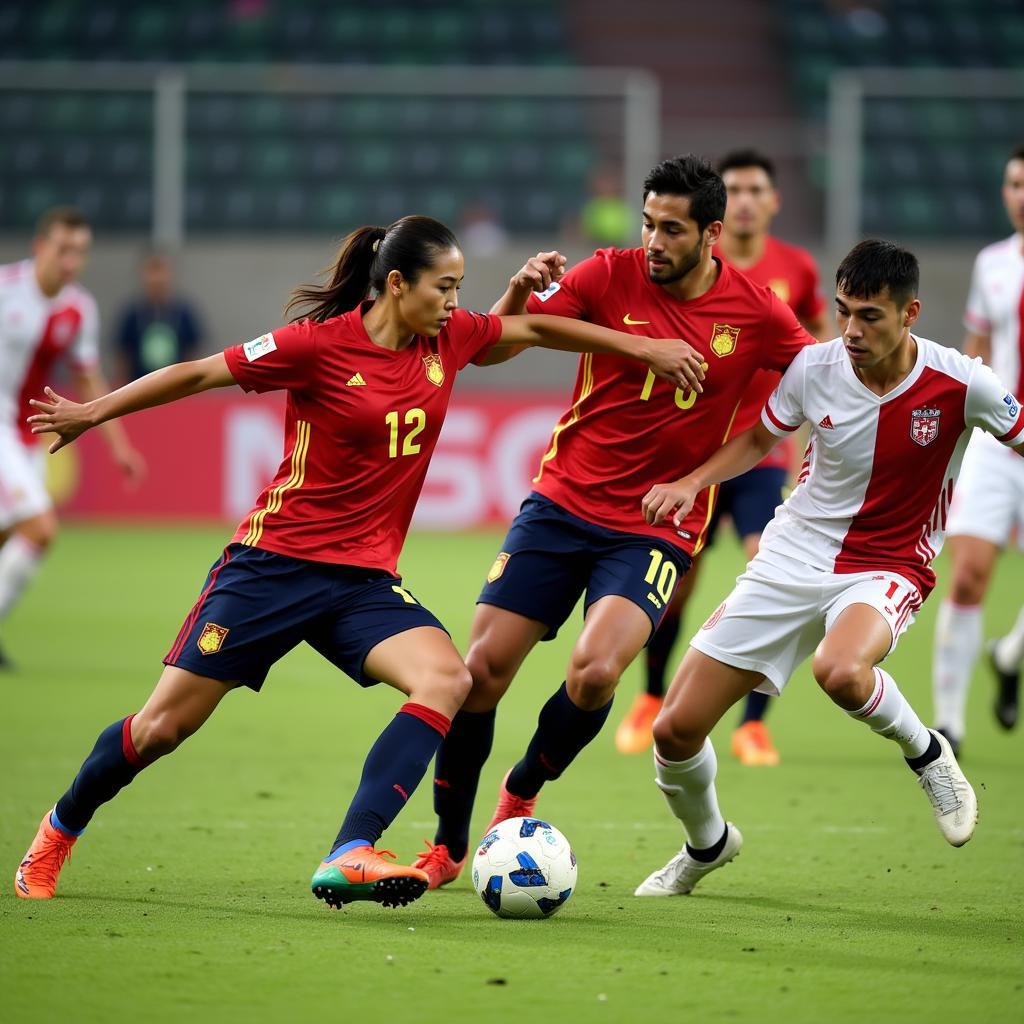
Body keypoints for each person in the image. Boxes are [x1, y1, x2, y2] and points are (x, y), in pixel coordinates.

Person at [13, 215, 703, 909]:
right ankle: (58, 829)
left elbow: (534, 332)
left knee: (446, 679)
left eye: (461, 288)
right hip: (272, 567)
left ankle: (351, 850)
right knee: (161, 728)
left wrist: (640, 349)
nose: (455, 303)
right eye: (445, 287)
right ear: (397, 284)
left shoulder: (449, 338)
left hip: (362, 583)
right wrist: (94, 412)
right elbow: (200, 371)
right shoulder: (314, 347)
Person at [414, 155, 817, 890]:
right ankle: (445, 847)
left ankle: (522, 789)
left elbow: (822, 383)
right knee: (479, 676)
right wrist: (522, 295)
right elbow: (501, 345)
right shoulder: (606, 274)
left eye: (672, 229)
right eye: (648, 224)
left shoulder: (757, 312)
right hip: (562, 502)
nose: (654, 242)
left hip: (655, 524)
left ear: (712, 234)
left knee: (597, 672)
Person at [634, 239, 1014, 898]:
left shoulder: (962, 382)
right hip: (792, 554)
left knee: (840, 670)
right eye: (843, 312)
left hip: (889, 564)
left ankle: (927, 753)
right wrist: (694, 483)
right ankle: (707, 844)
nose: (852, 330)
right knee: (674, 729)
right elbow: (759, 438)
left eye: (869, 316)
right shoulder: (815, 368)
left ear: (910, 313)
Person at [616, 148, 830, 764]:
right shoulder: (675, 268)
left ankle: (752, 723)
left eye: (755, 189)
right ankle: (651, 698)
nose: (743, 200)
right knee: (677, 586)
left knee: (770, 571)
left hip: (758, 455)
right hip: (687, 457)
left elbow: (812, 343)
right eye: (732, 189)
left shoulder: (794, 269)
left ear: (773, 201)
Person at [0, 207, 144, 669]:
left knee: (9, 536)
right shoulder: (5, 289)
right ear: (40, 246)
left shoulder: (78, 307)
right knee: (40, 530)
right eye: (63, 249)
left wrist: (120, 447)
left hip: (27, 435)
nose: (70, 261)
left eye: (79, 252)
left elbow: (88, 381)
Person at [932, 145, 1024, 755]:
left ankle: (1008, 655)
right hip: (1001, 440)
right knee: (967, 576)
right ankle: (949, 725)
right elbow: (977, 350)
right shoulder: (992, 263)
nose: (1021, 194)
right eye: (1015, 183)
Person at [115, 250, 204, 383]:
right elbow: (123, 355)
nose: (157, 278)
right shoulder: (132, 314)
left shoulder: (184, 313)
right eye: (152, 271)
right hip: (139, 390)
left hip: (177, 389)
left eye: (161, 270)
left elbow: (194, 353)